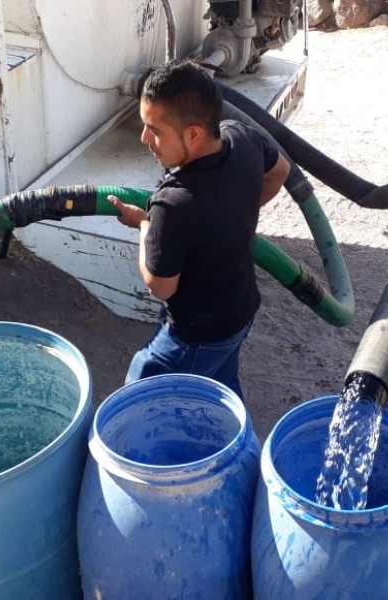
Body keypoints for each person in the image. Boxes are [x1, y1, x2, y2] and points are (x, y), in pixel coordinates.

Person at [109, 59, 290, 401]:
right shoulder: (244, 138)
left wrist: (145, 225)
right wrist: (234, 214)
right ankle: (230, 448)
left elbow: (160, 287)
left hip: (197, 335)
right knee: (218, 391)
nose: (144, 138)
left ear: (192, 133)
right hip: (239, 314)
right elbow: (279, 171)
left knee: (138, 393)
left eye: (155, 129)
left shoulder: (173, 204)